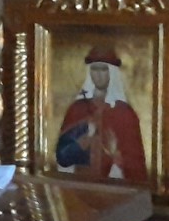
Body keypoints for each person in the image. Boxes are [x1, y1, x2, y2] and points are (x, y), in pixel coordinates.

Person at [55, 45, 148, 185]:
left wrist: (118, 158)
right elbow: (63, 155)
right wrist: (85, 139)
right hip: (81, 185)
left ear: (112, 73)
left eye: (104, 69)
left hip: (116, 187)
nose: (98, 75)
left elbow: (136, 162)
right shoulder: (77, 109)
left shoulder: (124, 113)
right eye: (94, 69)